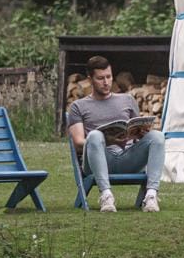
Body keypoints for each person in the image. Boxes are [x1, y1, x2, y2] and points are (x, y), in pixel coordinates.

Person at [64, 55, 165, 212]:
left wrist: (141, 132)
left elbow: (136, 129)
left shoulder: (127, 100)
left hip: (128, 159)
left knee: (157, 136)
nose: (106, 82)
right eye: (100, 78)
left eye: (109, 77)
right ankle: (106, 196)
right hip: (98, 160)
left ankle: (151, 196)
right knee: (95, 136)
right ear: (90, 79)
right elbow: (78, 142)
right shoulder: (78, 106)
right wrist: (107, 140)